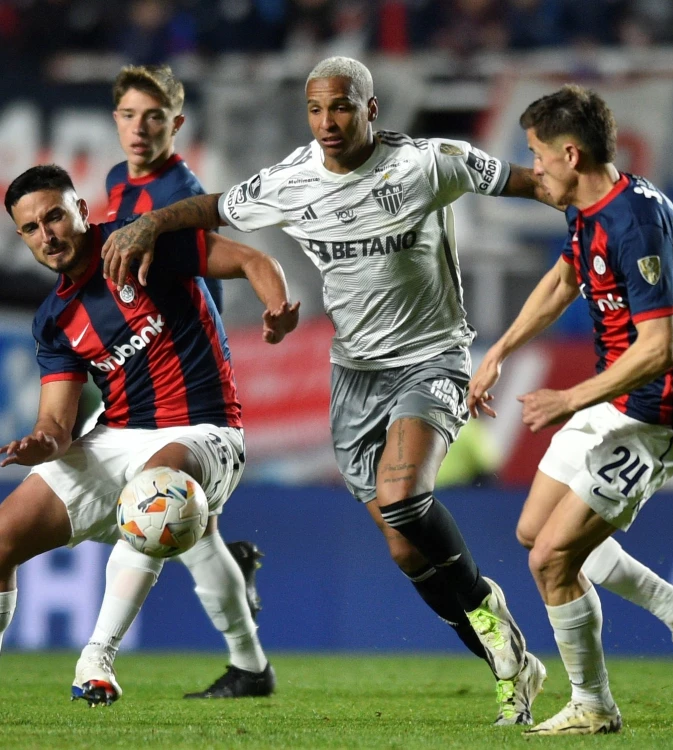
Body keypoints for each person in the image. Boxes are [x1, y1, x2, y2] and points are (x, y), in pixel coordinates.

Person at [97, 55, 560, 727]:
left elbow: (532, 183)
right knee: (405, 548)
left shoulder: (430, 163)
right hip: (355, 378)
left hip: (431, 358)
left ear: (371, 109)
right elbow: (215, 206)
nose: (327, 122)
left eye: (340, 107)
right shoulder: (292, 180)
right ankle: (507, 665)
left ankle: (497, 624)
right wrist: (151, 224)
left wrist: (600, 204)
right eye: (315, 110)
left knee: (405, 500)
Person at [468, 84, 673, 735]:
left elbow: (661, 347)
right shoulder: (588, 209)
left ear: (571, 153)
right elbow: (562, 281)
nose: (533, 168)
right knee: (535, 533)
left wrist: (569, 397)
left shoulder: (635, 222)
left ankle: (593, 705)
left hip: (657, 417)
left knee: (551, 558)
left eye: (537, 154)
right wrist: (498, 350)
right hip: (612, 402)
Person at [0, 165, 299, 706]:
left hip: (208, 430)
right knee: (1, 539)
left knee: (156, 495)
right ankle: (251, 665)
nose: (47, 235)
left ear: (81, 212)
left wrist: (276, 307)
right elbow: (57, 425)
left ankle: (97, 659)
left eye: (54, 217)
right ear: (21, 237)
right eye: (31, 228)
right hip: (119, 434)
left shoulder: (140, 240)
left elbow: (254, 259)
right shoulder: (54, 319)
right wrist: (38, 444)